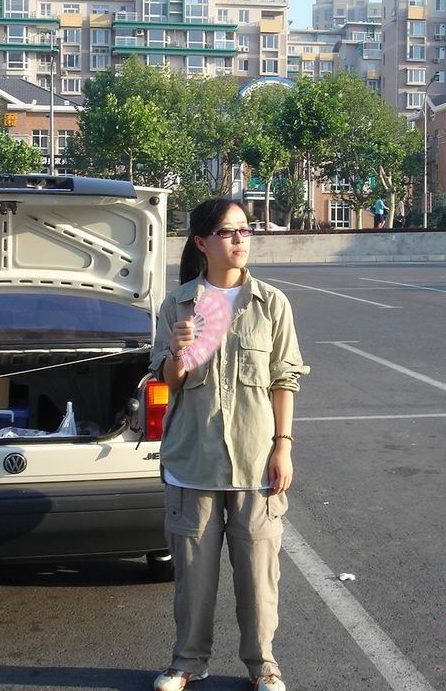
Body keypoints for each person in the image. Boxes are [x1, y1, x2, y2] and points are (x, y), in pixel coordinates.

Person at [149, 197, 310, 691]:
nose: (240, 239)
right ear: (201, 242)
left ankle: (263, 665)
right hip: (192, 462)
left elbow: (284, 379)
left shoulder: (271, 303)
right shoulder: (178, 305)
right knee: (193, 579)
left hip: (254, 462)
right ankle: (187, 662)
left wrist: (283, 446)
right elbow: (166, 383)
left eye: (245, 229)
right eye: (227, 231)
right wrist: (178, 352)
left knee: (259, 578)